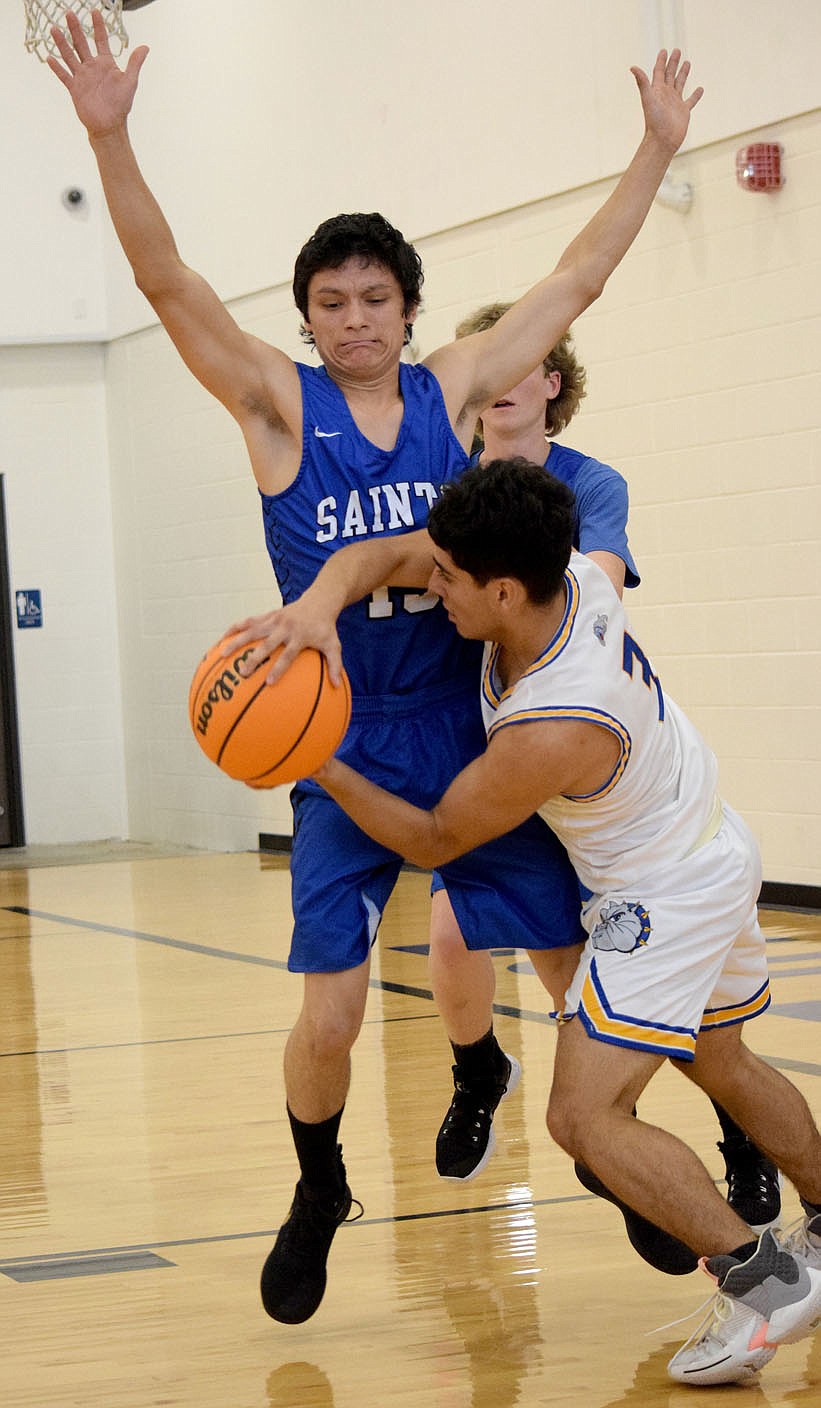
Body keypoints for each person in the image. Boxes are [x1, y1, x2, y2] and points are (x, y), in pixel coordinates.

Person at [47, 9, 702, 1325]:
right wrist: (108, 136)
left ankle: (627, 1158)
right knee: (333, 1013)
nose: (354, 317)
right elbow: (170, 284)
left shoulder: (454, 390)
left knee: (579, 973)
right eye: (330, 302)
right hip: (328, 742)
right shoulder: (276, 406)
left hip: (463, 728)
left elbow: (573, 283)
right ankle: (316, 1182)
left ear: (407, 312)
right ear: (306, 317)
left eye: (375, 299)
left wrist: (654, 150)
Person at [307, 458, 821, 1387]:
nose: (434, 587)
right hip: (708, 839)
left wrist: (320, 762)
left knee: (582, 1117)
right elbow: (408, 552)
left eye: (449, 579)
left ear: (502, 589)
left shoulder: (554, 720)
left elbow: (432, 836)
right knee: (723, 1060)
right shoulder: (573, 572)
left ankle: (765, 1280)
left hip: (660, 893)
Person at [445, 306, 781, 1235]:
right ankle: (491, 1078)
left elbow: (587, 585)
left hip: (627, 827)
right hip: (682, 824)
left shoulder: (578, 525)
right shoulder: (456, 496)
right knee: (461, 938)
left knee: (586, 1104)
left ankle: (734, 1246)